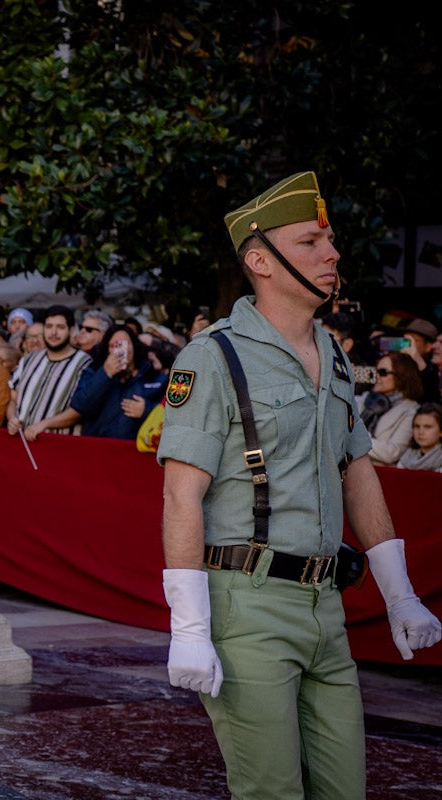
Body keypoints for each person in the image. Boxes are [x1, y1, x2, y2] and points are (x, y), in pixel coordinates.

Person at [158, 171, 441, 800]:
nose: (332, 253)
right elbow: (182, 496)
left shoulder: (334, 353)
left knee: (345, 789)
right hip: (247, 602)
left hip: (324, 605)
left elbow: (357, 468)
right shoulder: (213, 357)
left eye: (330, 239)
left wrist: (398, 595)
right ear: (260, 260)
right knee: (271, 792)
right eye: (312, 241)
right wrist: (191, 630)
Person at [6, 304, 92, 439]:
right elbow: (13, 400)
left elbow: (79, 410)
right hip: (21, 443)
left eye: (60, 327)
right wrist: (11, 419)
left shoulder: (85, 364)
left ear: (70, 330)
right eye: (49, 326)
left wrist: (45, 424)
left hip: (59, 446)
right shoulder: (28, 360)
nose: (53, 333)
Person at [69, 323, 165, 440]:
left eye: (125, 344)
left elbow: (173, 414)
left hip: (135, 452)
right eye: (114, 345)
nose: (121, 349)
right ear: (107, 350)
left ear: (134, 346)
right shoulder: (93, 372)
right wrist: (105, 374)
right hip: (98, 448)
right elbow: (80, 406)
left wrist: (147, 410)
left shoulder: (154, 376)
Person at [358, 351, 422, 467]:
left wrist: (356, 438)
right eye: (376, 371)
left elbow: (392, 453)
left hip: (379, 474)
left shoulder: (411, 410)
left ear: (401, 376)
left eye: (383, 372)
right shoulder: (362, 399)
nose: (376, 376)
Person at [401, 317, 440, 403]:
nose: (406, 344)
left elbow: (431, 398)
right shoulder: (399, 362)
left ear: (429, 347)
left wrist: (417, 359)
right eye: (405, 339)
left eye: (413, 340)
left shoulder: (435, 369)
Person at [396, 402, 442, 471]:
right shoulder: (406, 457)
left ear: (441, 431)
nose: (421, 432)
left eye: (427, 427)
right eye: (417, 426)